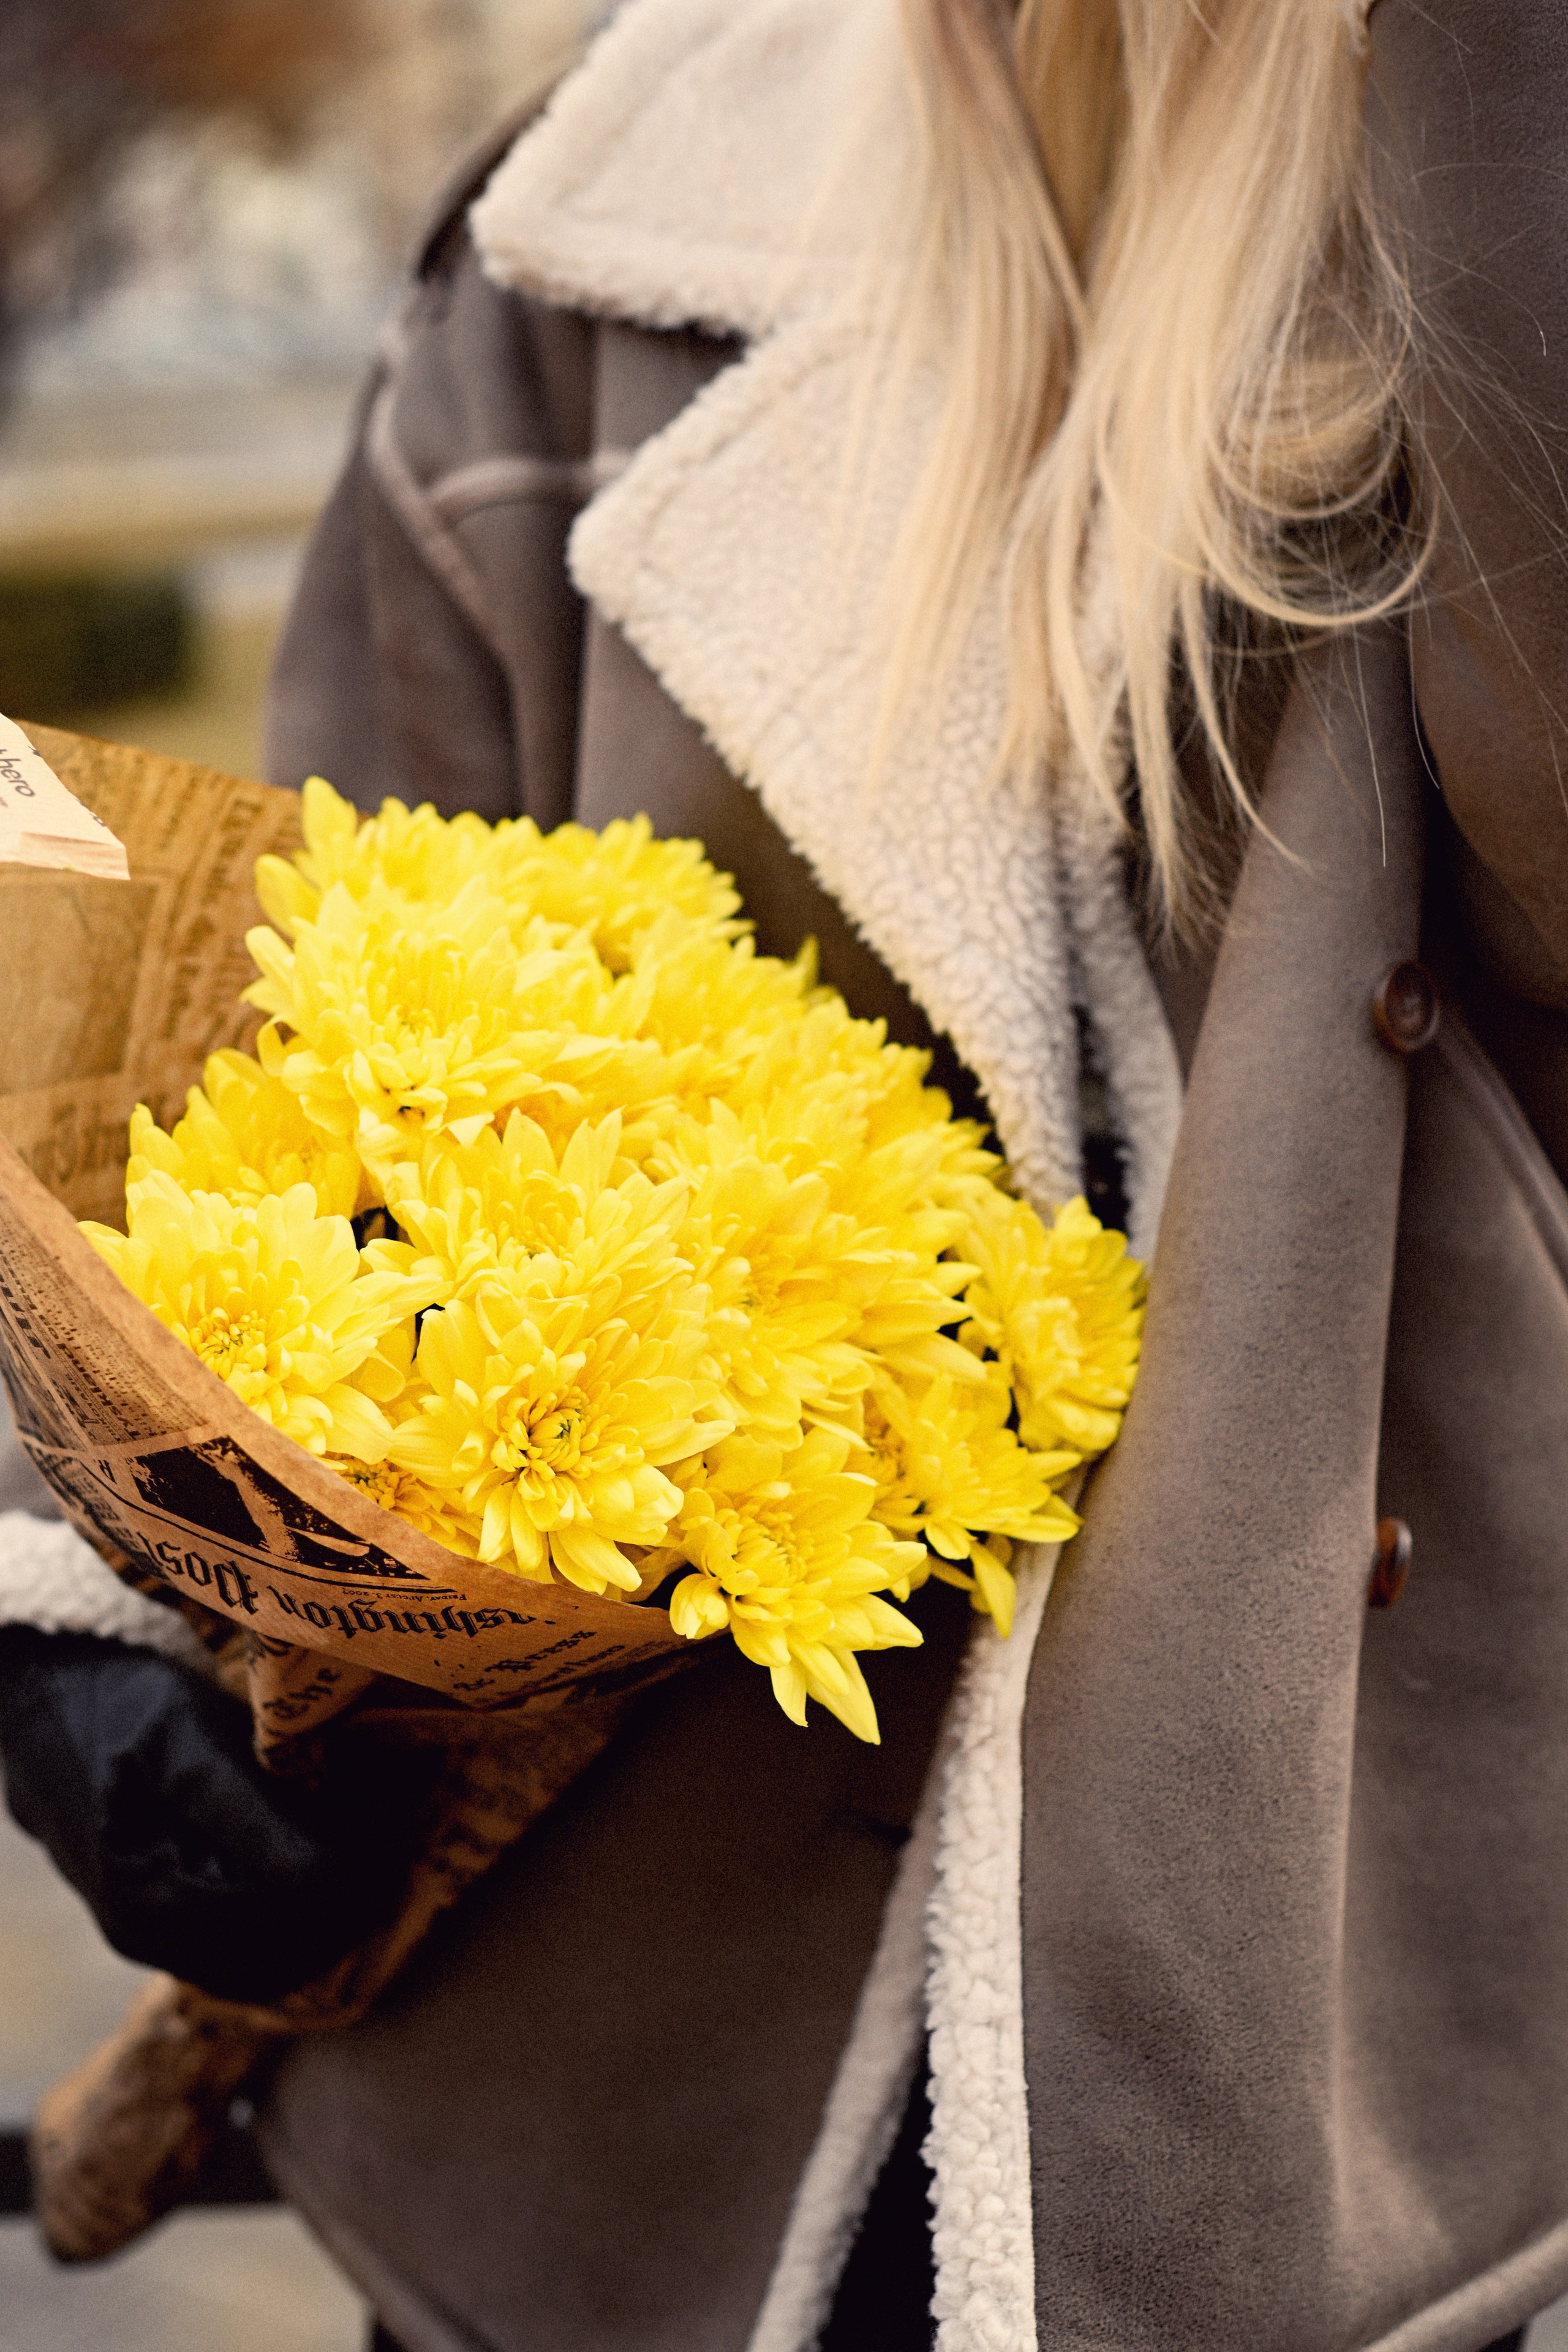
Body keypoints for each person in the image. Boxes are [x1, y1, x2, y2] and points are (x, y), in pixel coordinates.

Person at [2, 2, 1566, 2346]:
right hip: (602, 2064)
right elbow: (248, 1069)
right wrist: (98, 1607)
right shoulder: (588, 243)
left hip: (1290, 2010)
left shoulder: (1482, 200)